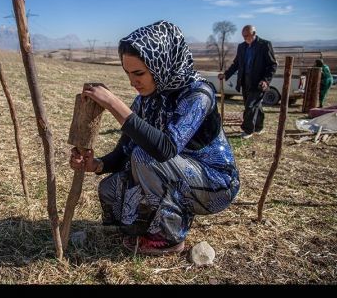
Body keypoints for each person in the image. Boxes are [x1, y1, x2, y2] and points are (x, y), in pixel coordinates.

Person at [69, 21, 240, 255]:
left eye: (139, 73)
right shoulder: (146, 100)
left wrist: (113, 104)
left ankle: (169, 237)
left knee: (144, 157)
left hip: (215, 184)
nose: (132, 81)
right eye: (128, 73)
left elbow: (164, 149)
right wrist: (97, 164)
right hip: (173, 174)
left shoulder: (198, 94)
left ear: (163, 64)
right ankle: (146, 226)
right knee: (111, 188)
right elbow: (124, 151)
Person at [218, 25, 277, 139]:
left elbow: (272, 65)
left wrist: (266, 80)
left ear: (254, 33)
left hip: (259, 83)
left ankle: (248, 130)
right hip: (245, 82)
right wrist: (226, 75)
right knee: (255, 105)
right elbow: (236, 64)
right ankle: (259, 127)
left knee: (250, 106)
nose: (245, 38)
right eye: (243, 36)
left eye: (247, 35)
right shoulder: (242, 47)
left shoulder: (264, 45)